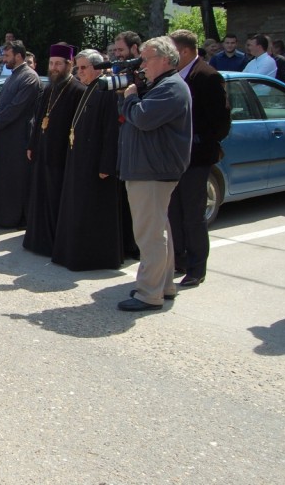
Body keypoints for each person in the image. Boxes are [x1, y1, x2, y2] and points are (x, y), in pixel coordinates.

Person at [117, 37, 192, 312]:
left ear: (164, 59)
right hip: (150, 167)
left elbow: (143, 118)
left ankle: (149, 293)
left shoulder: (171, 88)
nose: (142, 64)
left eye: (146, 59)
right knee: (160, 229)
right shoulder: (163, 85)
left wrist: (131, 96)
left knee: (149, 235)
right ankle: (165, 285)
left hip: (152, 170)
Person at [168, 30, 231, 288]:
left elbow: (221, 123)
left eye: (171, 52)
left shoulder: (207, 76)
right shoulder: (173, 76)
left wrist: (198, 140)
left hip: (196, 157)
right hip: (173, 157)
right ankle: (179, 259)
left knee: (193, 215)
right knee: (174, 211)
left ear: (183, 51)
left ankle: (196, 267)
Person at [52, 50, 123, 271]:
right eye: (78, 68)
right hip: (80, 159)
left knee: (92, 212)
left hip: (96, 164)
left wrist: (106, 165)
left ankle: (93, 258)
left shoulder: (105, 90)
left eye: (83, 68)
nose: (79, 72)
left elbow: (111, 131)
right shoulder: (89, 89)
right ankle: (73, 254)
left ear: (96, 68)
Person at [22, 44, 85, 256]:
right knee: (39, 196)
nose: (54, 67)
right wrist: (32, 144)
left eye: (58, 63)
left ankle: (53, 242)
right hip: (42, 151)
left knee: (55, 198)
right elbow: (38, 118)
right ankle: (37, 240)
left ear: (70, 64)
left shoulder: (78, 90)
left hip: (61, 154)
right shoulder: (48, 88)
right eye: (51, 63)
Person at [0, 40, 41, 228]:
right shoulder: (13, 75)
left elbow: (17, 106)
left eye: (7, 56)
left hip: (19, 137)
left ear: (18, 56)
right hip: (5, 135)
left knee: (15, 179)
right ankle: (0, 216)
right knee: (1, 177)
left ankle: (14, 219)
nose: (4, 60)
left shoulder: (29, 77)